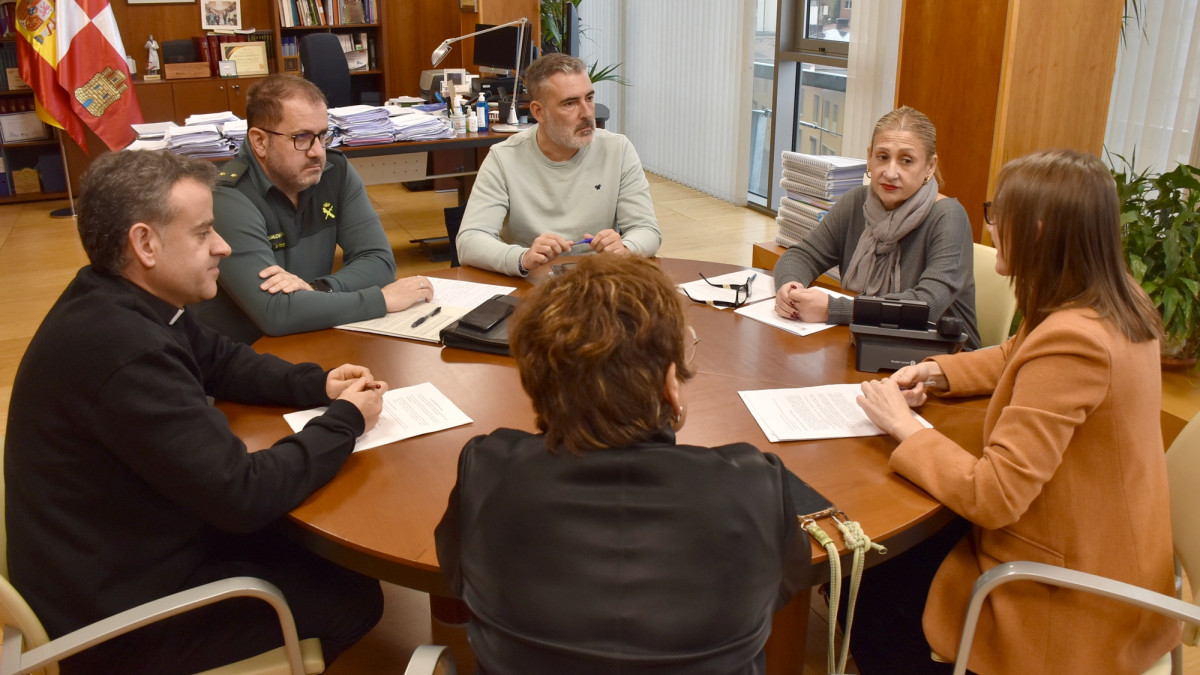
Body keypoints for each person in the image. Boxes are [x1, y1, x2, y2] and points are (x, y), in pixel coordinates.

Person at [5, 149, 385, 674]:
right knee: (354, 598)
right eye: (203, 232)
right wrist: (346, 421)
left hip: (117, 551)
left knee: (318, 553)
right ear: (145, 243)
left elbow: (220, 360)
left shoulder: (119, 297)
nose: (223, 246)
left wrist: (318, 384)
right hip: (116, 621)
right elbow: (243, 493)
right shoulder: (126, 352)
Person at [850, 149, 1178, 673]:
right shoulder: (1106, 302)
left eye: (1000, 213)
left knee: (875, 584)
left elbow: (994, 495)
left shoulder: (1078, 341)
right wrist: (936, 372)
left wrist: (904, 426)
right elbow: (1016, 354)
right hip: (1112, 552)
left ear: (1041, 229)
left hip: (1073, 597)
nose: (992, 225)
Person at [435, 255, 809, 673]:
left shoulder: (487, 469)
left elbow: (458, 579)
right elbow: (784, 585)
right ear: (671, 384)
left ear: (536, 379)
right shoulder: (754, 481)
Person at [190, 74, 433, 343]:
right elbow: (275, 313)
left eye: (322, 136)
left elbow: (379, 261)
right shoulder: (228, 197)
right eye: (302, 138)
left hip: (315, 333)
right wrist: (382, 300)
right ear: (259, 141)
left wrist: (320, 288)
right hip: (243, 356)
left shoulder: (333, 172)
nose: (318, 151)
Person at [774, 106, 980, 349]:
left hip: (940, 360)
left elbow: (926, 306)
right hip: (867, 342)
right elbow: (802, 255)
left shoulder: (949, 217)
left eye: (906, 161)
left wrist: (834, 309)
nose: (890, 172)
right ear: (869, 157)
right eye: (883, 157)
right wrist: (790, 289)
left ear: (930, 167)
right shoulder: (856, 202)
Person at [456, 53, 661, 277]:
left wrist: (626, 248)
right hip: (532, 283)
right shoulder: (503, 158)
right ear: (538, 112)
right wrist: (523, 257)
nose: (586, 113)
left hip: (599, 280)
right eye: (570, 103)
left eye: (589, 98)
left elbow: (647, 230)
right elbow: (470, 241)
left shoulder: (617, 149)